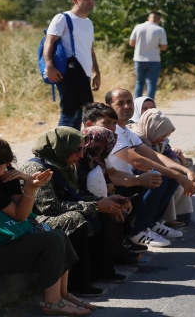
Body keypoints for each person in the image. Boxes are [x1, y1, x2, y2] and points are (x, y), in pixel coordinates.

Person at [0, 137, 94, 316]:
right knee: (52, 240)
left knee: (59, 234)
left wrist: (27, 179)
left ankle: (62, 294)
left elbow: (22, 207)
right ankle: (52, 302)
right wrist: (30, 187)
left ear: (8, 162)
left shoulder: (8, 174)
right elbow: (21, 215)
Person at [20, 127, 129, 297]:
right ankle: (77, 283)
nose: (81, 155)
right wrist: (95, 206)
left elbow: (76, 196)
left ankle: (101, 271)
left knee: (104, 209)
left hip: (55, 212)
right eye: (77, 149)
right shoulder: (37, 168)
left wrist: (106, 202)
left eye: (84, 149)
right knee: (75, 218)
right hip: (35, 220)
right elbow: (49, 207)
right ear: (61, 147)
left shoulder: (64, 164)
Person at [105, 89, 195, 246]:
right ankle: (138, 231)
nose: (127, 106)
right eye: (120, 103)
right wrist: (176, 175)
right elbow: (136, 160)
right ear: (109, 107)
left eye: (129, 102)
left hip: (131, 180)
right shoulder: (112, 131)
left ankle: (153, 224)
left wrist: (185, 172)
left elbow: (154, 155)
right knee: (159, 179)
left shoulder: (125, 130)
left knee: (168, 178)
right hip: (117, 184)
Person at [76, 126, 140, 264]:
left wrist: (117, 198)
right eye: (106, 144)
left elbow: (107, 182)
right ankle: (107, 259)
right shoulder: (81, 163)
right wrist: (104, 203)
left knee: (122, 200)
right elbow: (80, 190)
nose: (108, 148)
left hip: (97, 199)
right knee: (109, 214)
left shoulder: (98, 159)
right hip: (84, 202)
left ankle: (117, 248)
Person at [43, 0, 100, 130]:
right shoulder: (63, 18)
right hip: (69, 73)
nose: (91, 1)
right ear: (75, 0)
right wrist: (49, 66)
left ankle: (73, 150)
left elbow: (90, 49)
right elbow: (49, 42)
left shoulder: (89, 23)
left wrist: (96, 72)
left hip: (84, 74)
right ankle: (60, 149)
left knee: (82, 114)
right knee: (69, 113)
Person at [128, 108, 193, 227]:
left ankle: (156, 223)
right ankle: (142, 228)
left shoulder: (157, 141)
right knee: (159, 181)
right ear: (154, 129)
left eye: (166, 136)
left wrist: (181, 163)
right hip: (132, 177)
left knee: (172, 179)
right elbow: (142, 163)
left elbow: (170, 156)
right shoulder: (136, 138)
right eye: (162, 136)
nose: (163, 139)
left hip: (149, 173)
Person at [129, 11, 168, 99]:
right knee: (151, 83)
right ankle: (149, 105)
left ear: (148, 18)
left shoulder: (138, 27)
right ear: (158, 19)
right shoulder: (160, 30)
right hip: (154, 59)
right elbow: (164, 47)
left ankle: (137, 104)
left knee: (139, 82)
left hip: (139, 58)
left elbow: (131, 43)